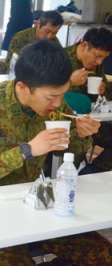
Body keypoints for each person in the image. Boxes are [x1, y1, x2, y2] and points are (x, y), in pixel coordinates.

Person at [0, 40, 111, 265]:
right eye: (51, 97)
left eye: (62, 94)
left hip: (34, 202)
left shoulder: (54, 104)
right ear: (23, 87)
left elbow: (66, 149)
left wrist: (82, 134)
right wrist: (27, 150)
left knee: (103, 255)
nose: (59, 103)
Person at [65, 27, 112, 175]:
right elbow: (43, 92)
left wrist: (103, 91)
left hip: (91, 122)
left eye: (104, 58)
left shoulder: (95, 66)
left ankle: (92, 172)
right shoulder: (60, 59)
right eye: (97, 56)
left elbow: (104, 102)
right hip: (66, 123)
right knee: (75, 149)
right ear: (84, 46)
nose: (99, 62)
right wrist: (70, 82)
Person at [0, 10, 64, 74]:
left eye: (54, 33)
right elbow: (11, 65)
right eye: (47, 31)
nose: (49, 36)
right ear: (38, 23)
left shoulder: (55, 43)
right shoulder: (20, 38)